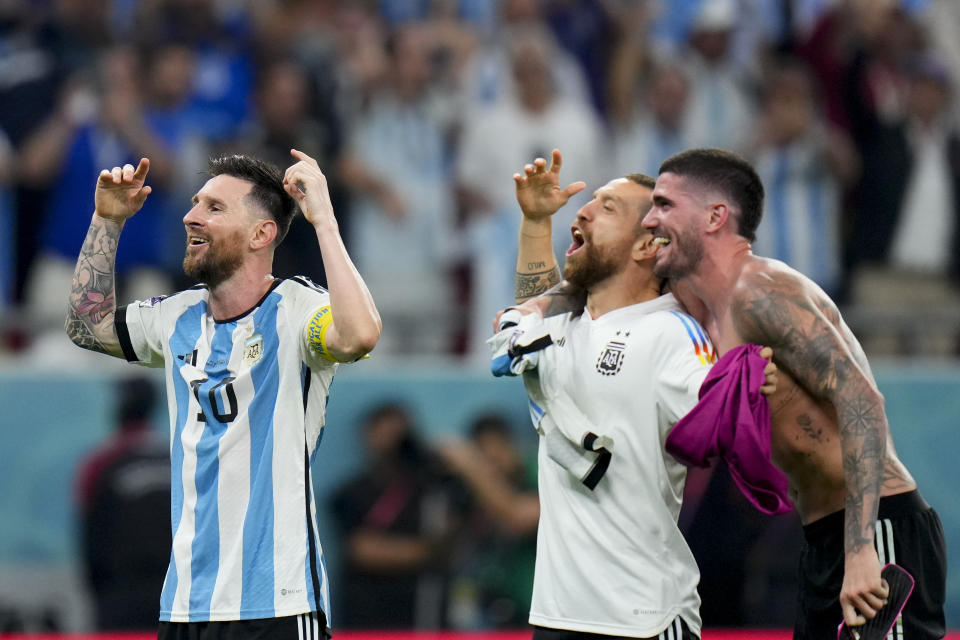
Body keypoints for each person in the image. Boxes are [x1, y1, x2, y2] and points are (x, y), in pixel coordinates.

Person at [64, 147, 381, 639]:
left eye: (214, 207)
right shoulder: (174, 317)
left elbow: (359, 335)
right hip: (187, 606)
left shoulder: (298, 311)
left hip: (277, 601)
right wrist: (107, 220)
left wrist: (324, 221)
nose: (191, 216)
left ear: (262, 234)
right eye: (195, 203)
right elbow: (87, 326)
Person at [641, 148, 946, 639]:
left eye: (663, 205)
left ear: (716, 216)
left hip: (874, 531)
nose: (649, 219)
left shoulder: (763, 290)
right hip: (822, 538)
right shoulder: (701, 306)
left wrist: (862, 549)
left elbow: (863, 402)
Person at [498, 150, 777, 640]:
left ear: (648, 245)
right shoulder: (562, 326)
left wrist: (746, 389)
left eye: (606, 208)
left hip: (644, 619)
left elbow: (720, 421)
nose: (581, 211)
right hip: (556, 616)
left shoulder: (669, 332)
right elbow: (532, 311)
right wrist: (536, 223)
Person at [329, 403, 466, 629]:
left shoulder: (433, 491)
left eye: (400, 436)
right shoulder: (349, 493)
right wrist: (430, 552)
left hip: (422, 617)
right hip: (367, 617)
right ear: (368, 436)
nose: (393, 444)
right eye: (385, 434)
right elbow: (363, 550)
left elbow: (457, 534)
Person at [75, 375, 170, 631]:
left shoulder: (100, 463)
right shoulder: (176, 460)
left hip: (118, 598)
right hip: (174, 598)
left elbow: (88, 532)